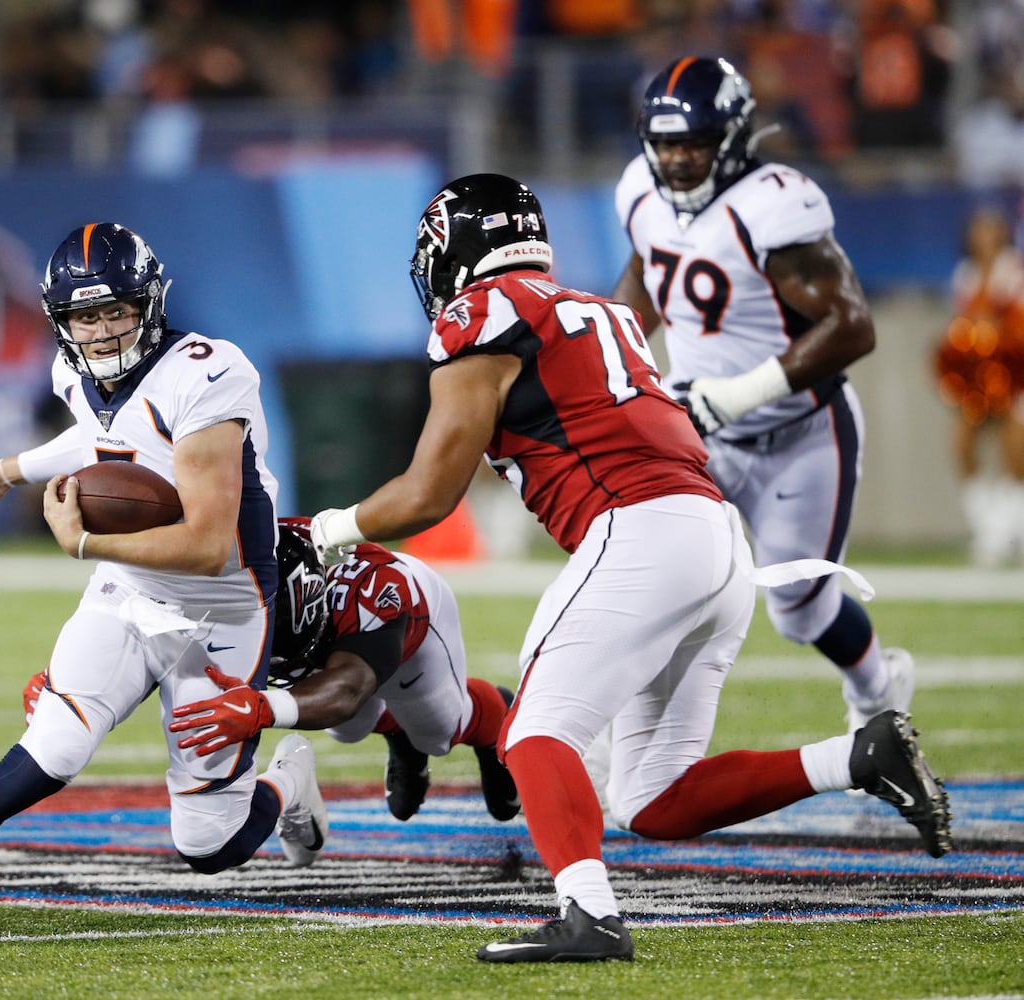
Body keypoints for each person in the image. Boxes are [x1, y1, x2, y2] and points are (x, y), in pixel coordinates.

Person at [306, 173, 952, 962]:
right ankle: (858, 755)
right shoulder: (603, 312)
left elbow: (427, 494)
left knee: (535, 734)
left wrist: (336, 527)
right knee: (649, 797)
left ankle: (591, 917)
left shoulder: (484, 316)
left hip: (639, 532)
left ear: (459, 252)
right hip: (715, 540)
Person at [0, 222, 327, 927]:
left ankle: (288, 786)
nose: (102, 332)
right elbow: (100, 434)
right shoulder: (72, 372)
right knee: (47, 753)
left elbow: (208, 545)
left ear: (150, 303)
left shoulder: (206, 373)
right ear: (61, 320)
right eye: (85, 315)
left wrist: (82, 546)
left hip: (221, 607)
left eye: (116, 310)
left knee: (208, 844)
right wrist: (5, 472)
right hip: (129, 590)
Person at [610, 56, 914, 736]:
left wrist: (740, 395)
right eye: (666, 144)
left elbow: (853, 325)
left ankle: (878, 689)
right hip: (701, 436)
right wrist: (617, 369)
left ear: (734, 136)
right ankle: (611, 744)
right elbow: (644, 273)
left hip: (801, 434)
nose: (679, 160)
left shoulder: (772, 203)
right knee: (652, 579)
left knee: (800, 609)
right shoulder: (640, 193)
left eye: (695, 143)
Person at [164, 517, 518, 823]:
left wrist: (262, 709)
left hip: (413, 630)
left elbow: (348, 689)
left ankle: (493, 716)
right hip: (334, 644)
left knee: (438, 734)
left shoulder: (373, 589)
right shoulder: (248, 569)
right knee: (346, 729)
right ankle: (400, 734)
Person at [934, 206, 1024, 565]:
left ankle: (1009, 528)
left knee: (1014, 448)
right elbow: (961, 325)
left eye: (991, 231)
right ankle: (988, 527)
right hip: (978, 376)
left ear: (1003, 234)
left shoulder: (1014, 271)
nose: (984, 238)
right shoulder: (965, 275)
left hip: (1015, 371)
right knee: (962, 443)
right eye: (978, 231)